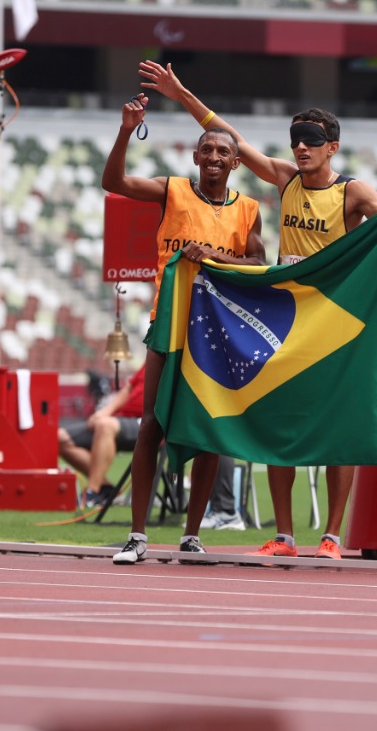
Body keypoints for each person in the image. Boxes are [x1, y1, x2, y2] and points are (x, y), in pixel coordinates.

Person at [140, 59, 377, 561]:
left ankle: (333, 537)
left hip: (333, 315)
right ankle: (285, 536)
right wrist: (181, 93)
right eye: (297, 139)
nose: (301, 147)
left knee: (340, 420)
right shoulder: (284, 178)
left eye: (311, 140)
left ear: (331, 147)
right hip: (285, 310)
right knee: (277, 414)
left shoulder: (352, 192)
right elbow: (225, 134)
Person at [104, 93, 268, 565]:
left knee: (210, 429)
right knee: (151, 423)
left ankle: (192, 536)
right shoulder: (173, 191)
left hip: (217, 331)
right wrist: (125, 129)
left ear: (236, 163)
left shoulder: (248, 209)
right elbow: (112, 181)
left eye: (223, 152)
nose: (214, 158)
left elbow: (258, 260)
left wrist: (216, 255)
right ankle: (136, 536)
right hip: (169, 321)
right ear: (196, 157)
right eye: (207, 151)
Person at [58, 363, 145, 508]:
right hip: (119, 418)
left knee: (105, 426)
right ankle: (106, 490)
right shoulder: (155, 355)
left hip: (148, 421)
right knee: (60, 437)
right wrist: (104, 412)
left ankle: (92, 491)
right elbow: (129, 387)